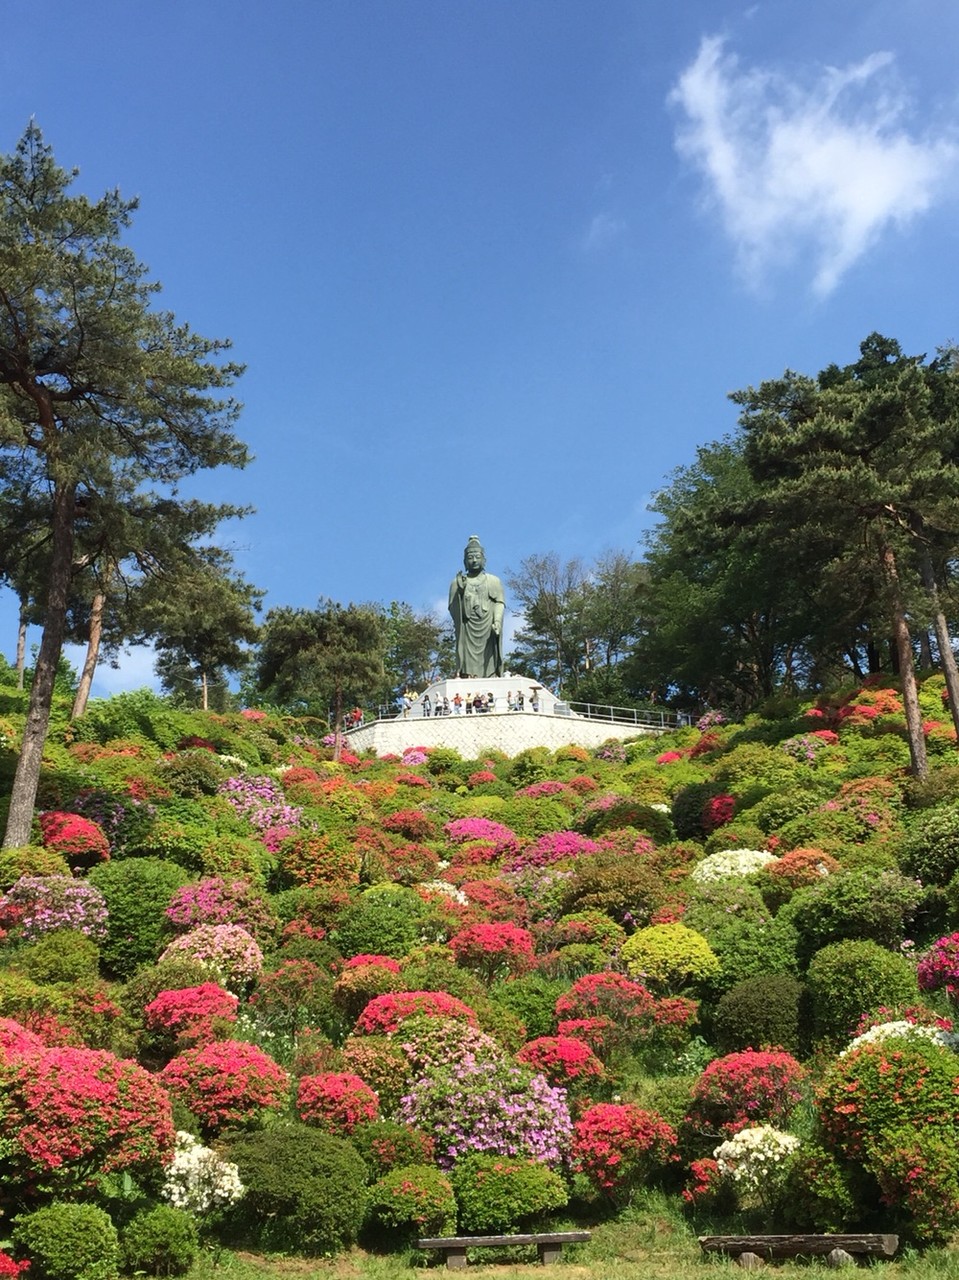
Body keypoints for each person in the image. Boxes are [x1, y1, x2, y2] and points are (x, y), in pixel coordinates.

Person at [448, 536, 506, 679]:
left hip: (487, 626)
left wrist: (497, 622)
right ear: (464, 561)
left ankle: (491, 674)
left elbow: (499, 602)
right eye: (470, 557)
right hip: (467, 629)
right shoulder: (457, 582)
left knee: (490, 654)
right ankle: (466, 673)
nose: (474, 560)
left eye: (477, 557)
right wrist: (460, 593)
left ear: (484, 559)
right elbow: (452, 609)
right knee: (466, 653)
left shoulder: (493, 581)